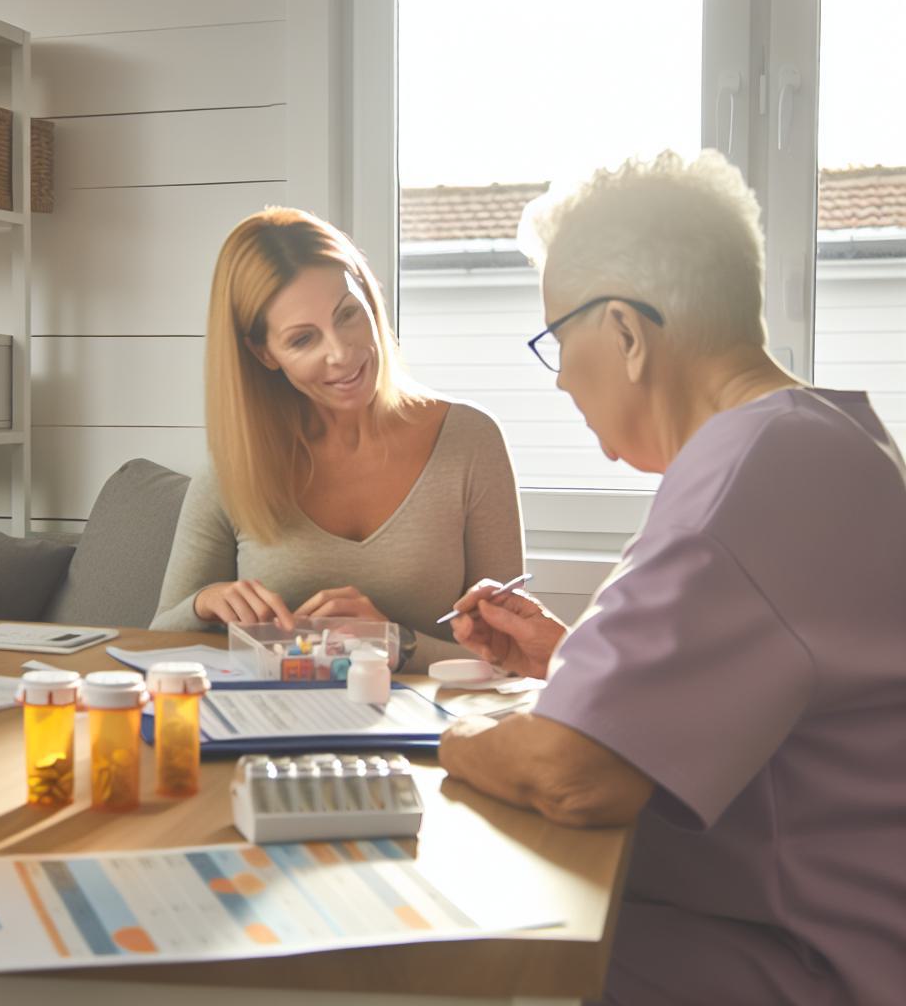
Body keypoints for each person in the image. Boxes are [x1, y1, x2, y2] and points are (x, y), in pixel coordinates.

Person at [438, 151, 906, 1005]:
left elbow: (575, 775)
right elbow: (772, 678)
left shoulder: (746, 472)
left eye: (556, 340)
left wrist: (446, 739)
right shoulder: (825, 438)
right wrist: (571, 658)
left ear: (623, 331)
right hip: (812, 924)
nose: (560, 382)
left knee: (462, 968)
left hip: (811, 964)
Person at [151, 207, 524, 670]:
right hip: (270, 730)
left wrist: (394, 644)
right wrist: (204, 602)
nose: (342, 353)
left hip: (434, 735)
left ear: (369, 299)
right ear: (263, 353)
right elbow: (156, 640)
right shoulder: (236, 467)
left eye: (348, 314)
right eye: (304, 340)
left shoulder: (470, 442)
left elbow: (511, 661)